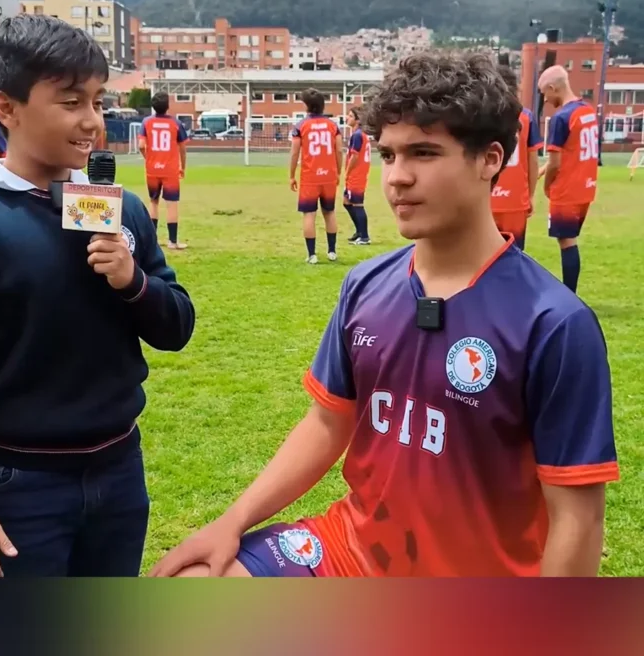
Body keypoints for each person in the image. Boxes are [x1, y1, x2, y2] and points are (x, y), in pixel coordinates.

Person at [150, 50, 619, 579]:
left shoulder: (555, 324)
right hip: (351, 551)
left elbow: (578, 518)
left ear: (490, 159)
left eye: (423, 153)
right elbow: (327, 423)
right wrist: (231, 521)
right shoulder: (365, 285)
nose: (397, 177)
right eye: (389, 155)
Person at [0, 14, 196, 578]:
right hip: (16, 485)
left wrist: (133, 282)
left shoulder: (121, 209)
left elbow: (176, 326)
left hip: (118, 474)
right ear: (7, 108)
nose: (92, 120)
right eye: (70, 102)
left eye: (98, 101)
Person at [538, 65, 599, 293]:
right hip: (586, 187)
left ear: (553, 88)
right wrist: (541, 170)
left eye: (544, 93)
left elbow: (556, 162)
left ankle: (570, 294)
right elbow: (571, 151)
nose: (545, 99)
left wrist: (547, 186)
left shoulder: (561, 118)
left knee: (567, 241)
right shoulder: (586, 111)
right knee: (569, 239)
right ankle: (570, 292)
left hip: (567, 190)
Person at [490, 65, 542, 250]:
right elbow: (533, 160)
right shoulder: (526, 117)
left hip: (485, 198)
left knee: (482, 257)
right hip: (516, 199)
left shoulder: (482, 115)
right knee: (513, 254)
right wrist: (531, 195)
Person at [289, 89, 343, 264]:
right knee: (329, 212)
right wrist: (338, 172)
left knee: (309, 215)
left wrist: (291, 175)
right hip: (329, 176)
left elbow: (294, 153)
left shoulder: (301, 126)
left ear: (306, 105)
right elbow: (339, 151)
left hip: (310, 177)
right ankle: (332, 251)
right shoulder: (333, 126)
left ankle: (312, 255)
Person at [138, 92, 189, 251]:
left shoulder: (146, 122)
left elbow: (141, 145)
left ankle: (152, 242)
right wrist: (182, 167)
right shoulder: (176, 123)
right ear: (168, 106)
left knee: (153, 202)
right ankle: (172, 242)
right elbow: (182, 148)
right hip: (170, 170)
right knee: (171, 204)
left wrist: (149, 158)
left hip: (152, 169)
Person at [342, 105, 371, 245]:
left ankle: (364, 237)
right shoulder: (358, 134)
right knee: (346, 202)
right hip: (356, 174)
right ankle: (359, 231)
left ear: (358, 120)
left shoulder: (358, 135)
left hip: (356, 174)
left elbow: (355, 156)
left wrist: (347, 171)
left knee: (357, 204)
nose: (347, 118)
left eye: (350, 116)